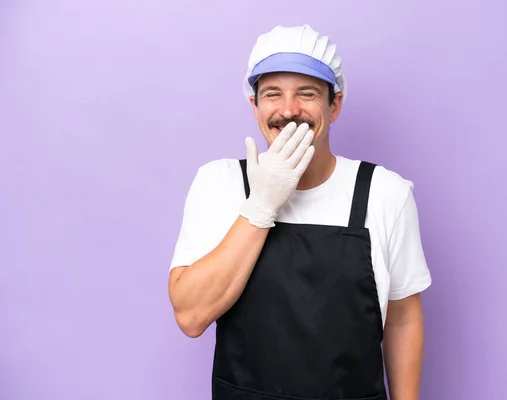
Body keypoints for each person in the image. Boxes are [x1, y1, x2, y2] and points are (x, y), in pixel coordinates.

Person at [167, 24, 432, 400]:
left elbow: (403, 317)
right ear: (254, 105)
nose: (289, 110)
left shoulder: (384, 193)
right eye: (272, 94)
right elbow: (190, 316)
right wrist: (260, 206)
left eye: (307, 94)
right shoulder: (219, 183)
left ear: (334, 105)